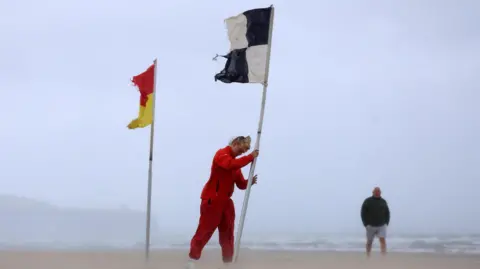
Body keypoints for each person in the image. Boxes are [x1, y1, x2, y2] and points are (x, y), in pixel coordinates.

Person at [186, 136, 259, 269]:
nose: (240, 154)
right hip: (212, 199)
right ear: (235, 143)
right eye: (240, 150)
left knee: (228, 234)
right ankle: (192, 261)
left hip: (226, 202)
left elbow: (240, 184)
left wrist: (249, 182)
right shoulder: (222, 155)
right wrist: (249, 157)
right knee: (205, 231)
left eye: (243, 153)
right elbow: (229, 165)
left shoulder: (236, 165)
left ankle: (228, 264)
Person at [361, 187, 390, 257]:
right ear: (373, 192)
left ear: (380, 193)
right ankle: (368, 255)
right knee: (369, 242)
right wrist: (365, 224)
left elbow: (387, 212)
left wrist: (387, 222)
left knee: (382, 240)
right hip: (370, 225)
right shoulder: (367, 201)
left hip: (381, 225)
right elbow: (363, 213)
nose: (377, 193)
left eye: (378, 191)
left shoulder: (383, 201)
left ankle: (383, 256)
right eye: (376, 191)